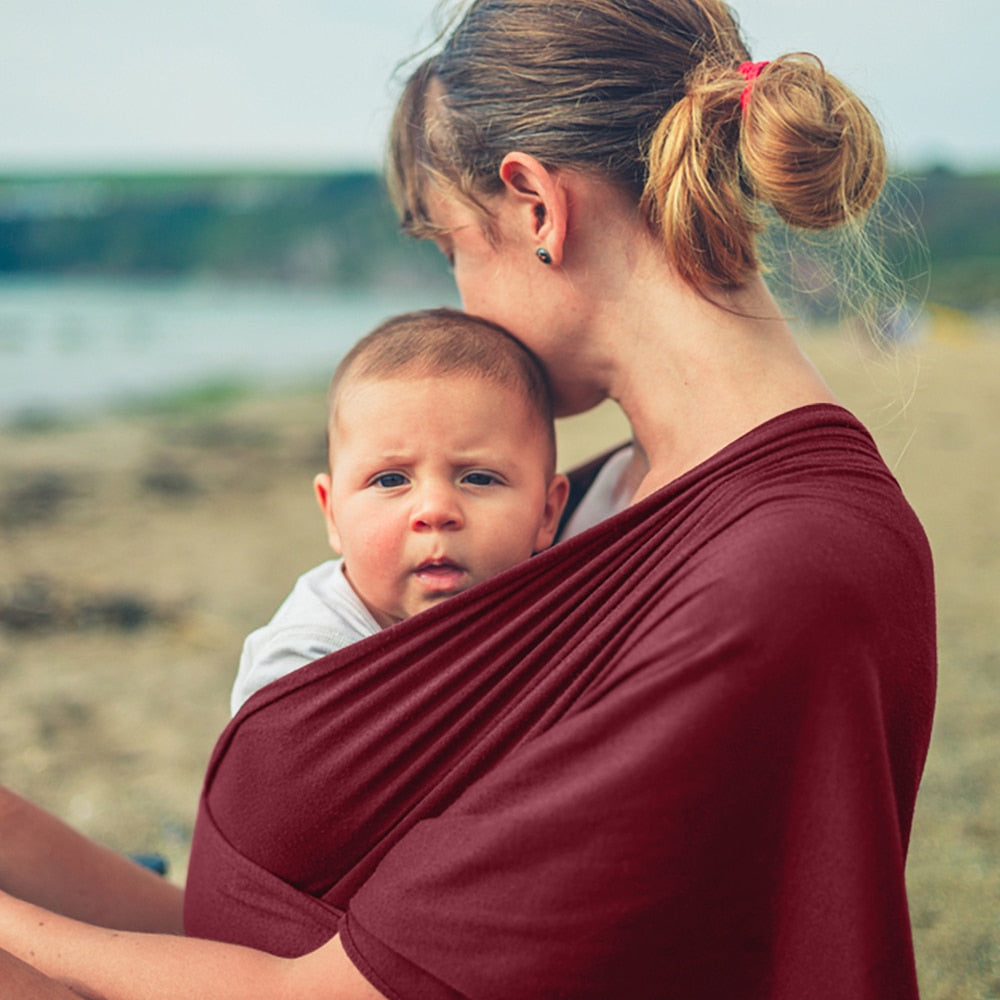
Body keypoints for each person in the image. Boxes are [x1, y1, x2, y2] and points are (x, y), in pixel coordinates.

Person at [0, 1, 936, 997]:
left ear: (535, 204)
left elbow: (335, 990)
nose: (458, 304)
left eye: (451, 245)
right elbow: (310, 927)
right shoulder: (618, 497)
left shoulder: (770, 575)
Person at [229, 306, 569, 715]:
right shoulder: (307, 659)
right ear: (332, 514)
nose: (436, 511)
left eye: (478, 478)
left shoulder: (552, 617)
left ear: (547, 513)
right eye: (391, 480)